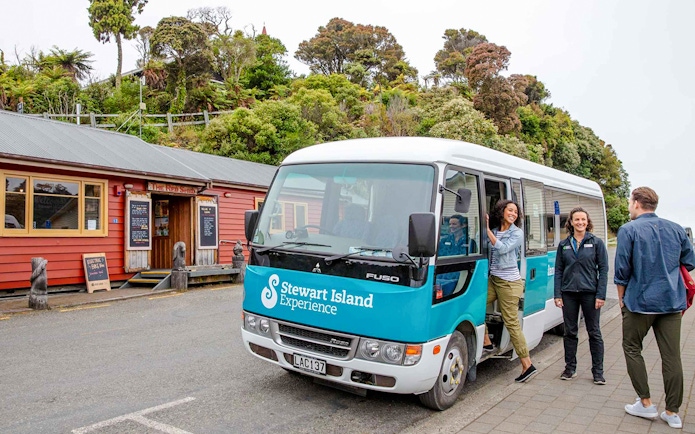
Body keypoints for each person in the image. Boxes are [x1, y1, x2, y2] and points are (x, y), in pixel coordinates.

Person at [614, 187, 695, 429]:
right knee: (672, 356)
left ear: (637, 203)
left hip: (639, 303)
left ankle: (646, 403)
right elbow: (690, 261)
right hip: (671, 302)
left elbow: (621, 271)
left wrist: (621, 301)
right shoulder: (676, 228)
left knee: (631, 347)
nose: (629, 205)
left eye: (630, 201)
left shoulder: (628, 230)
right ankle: (672, 412)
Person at [482, 200, 537, 383]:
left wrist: (487, 230)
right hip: (494, 280)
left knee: (511, 322)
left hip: (510, 283)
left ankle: (527, 364)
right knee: (475, 306)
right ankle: (487, 342)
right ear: (502, 211)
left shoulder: (517, 233)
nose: (513, 213)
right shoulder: (496, 230)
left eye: (516, 211)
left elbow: (503, 249)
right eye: (510, 210)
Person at [553, 207, 608, 385]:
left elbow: (604, 270)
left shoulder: (596, 243)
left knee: (594, 332)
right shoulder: (564, 244)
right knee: (570, 332)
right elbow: (559, 271)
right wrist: (557, 294)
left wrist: (601, 295)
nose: (580, 223)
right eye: (577, 220)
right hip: (568, 294)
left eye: (583, 220)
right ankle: (570, 369)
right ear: (571, 222)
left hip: (590, 294)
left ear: (587, 221)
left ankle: (598, 372)